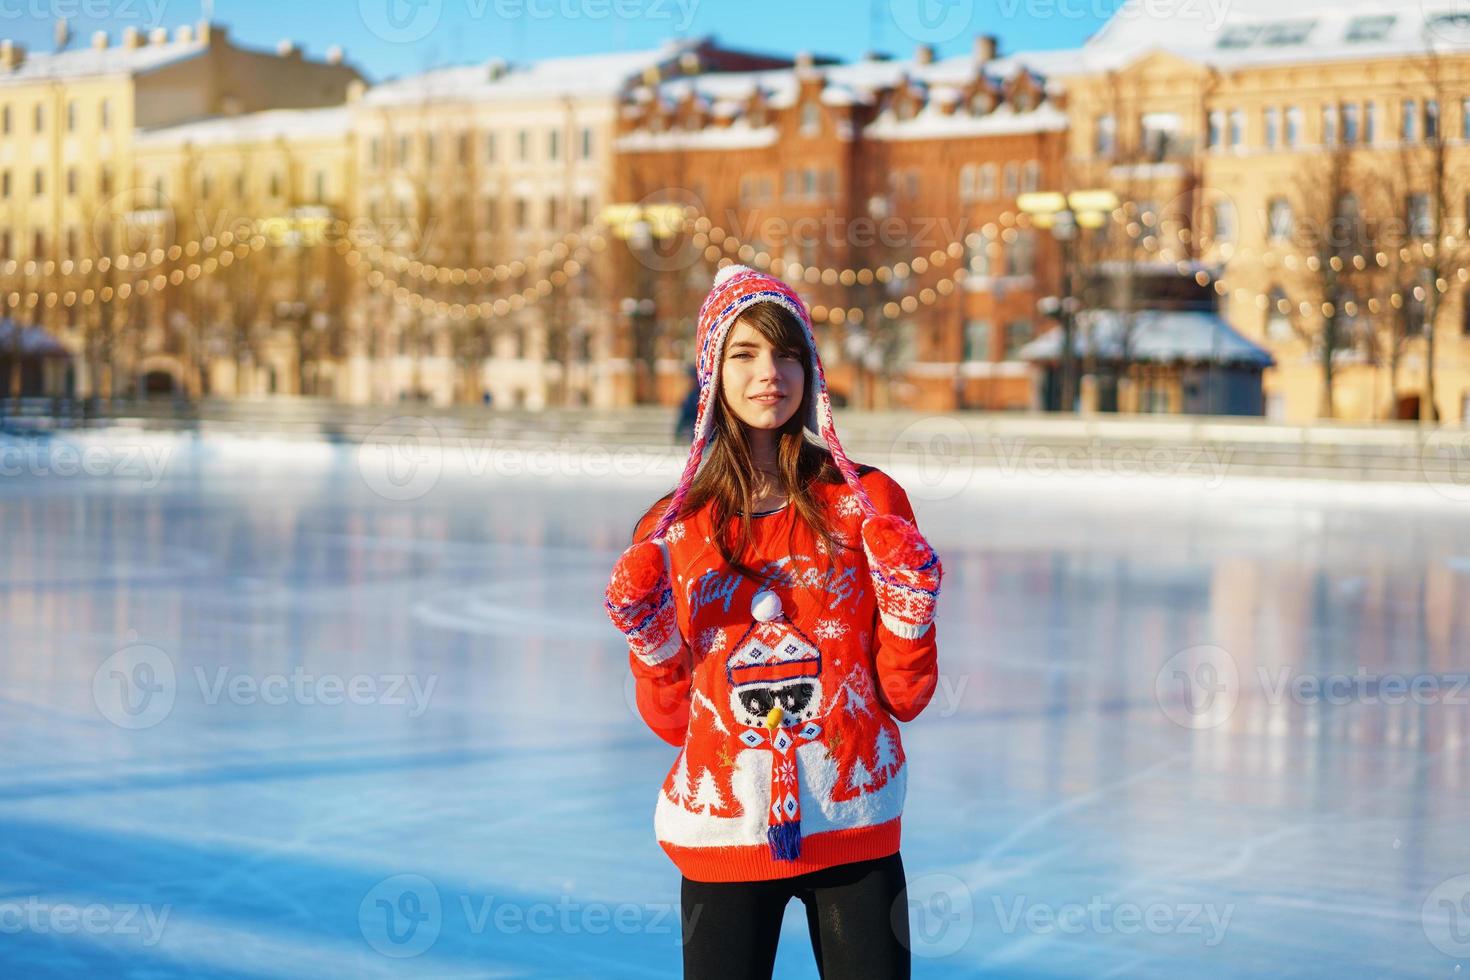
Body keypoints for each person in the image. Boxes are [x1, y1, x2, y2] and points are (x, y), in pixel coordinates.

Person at [603, 265, 944, 979]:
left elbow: (904, 698)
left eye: (787, 352)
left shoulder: (869, 505)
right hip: (725, 836)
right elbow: (675, 723)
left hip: (852, 827)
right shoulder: (674, 531)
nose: (770, 374)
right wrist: (653, 644)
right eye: (745, 353)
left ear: (811, 367)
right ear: (712, 371)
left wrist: (911, 616)